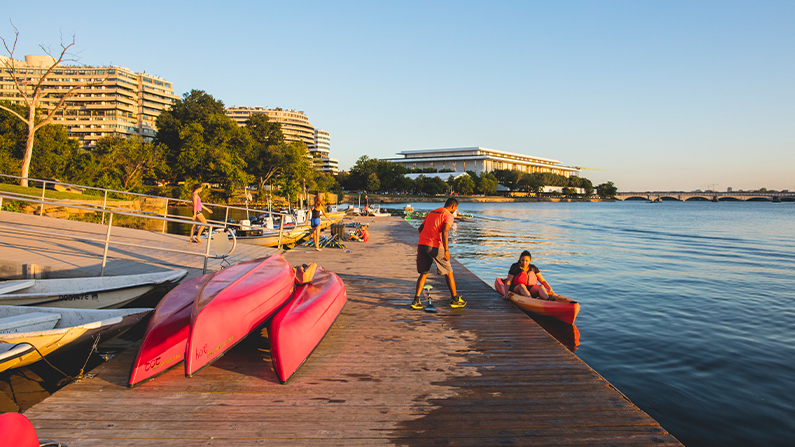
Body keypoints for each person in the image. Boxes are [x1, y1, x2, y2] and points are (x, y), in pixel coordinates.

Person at [412, 197, 466, 309]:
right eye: (455, 208)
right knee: (449, 272)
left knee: (424, 273)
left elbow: (420, 229)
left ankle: (416, 300)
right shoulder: (448, 215)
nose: (455, 210)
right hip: (435, 246)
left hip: (422, 244)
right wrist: (446, 250)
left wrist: (428, 236)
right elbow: (445, 232)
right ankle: (455, 299)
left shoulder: (432, 212)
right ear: (453, 206)